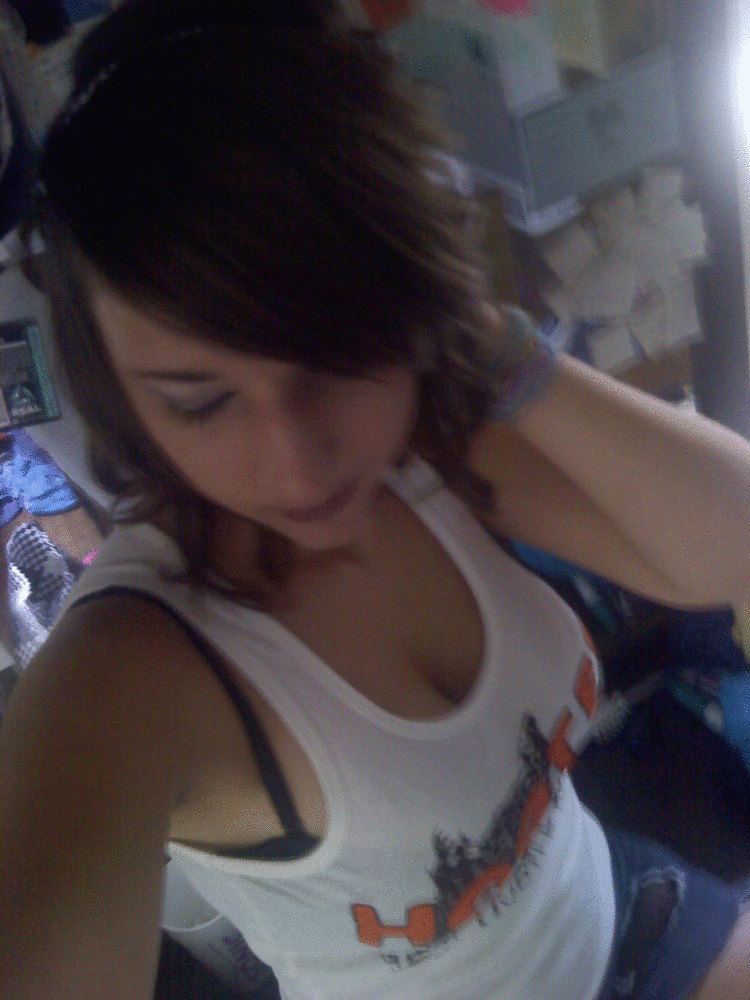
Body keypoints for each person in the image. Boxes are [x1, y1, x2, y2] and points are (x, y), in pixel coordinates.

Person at [1, 2, 750, 998]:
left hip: (626, 906)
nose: (299, 468)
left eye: (338, 354)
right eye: (200, 402)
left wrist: (480, 332)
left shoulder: (423, 448)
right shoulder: (123, 680)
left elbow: (732, 545)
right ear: (121, 394)